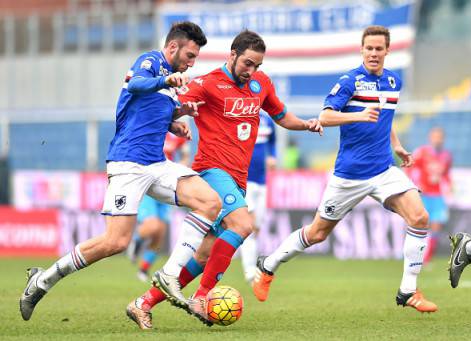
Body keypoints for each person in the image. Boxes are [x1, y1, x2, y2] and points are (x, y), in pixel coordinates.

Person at [19, 21, 222, 322]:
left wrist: (177, 118)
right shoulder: (151, 61)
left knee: (211, 202)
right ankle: (43, 279)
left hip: (156, 164)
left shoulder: (169, 80)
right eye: (190, 55)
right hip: (128, 163)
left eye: (195, 57)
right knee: (116, 242)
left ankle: (169, 274)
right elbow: (136, 85)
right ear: (172, 47)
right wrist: (167, 83)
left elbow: (145, 112)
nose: (192, 62)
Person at [127, 29, 323, 329]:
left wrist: (306, 125)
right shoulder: (206, 84)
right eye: (247, 63)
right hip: (211, 171)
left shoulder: (261, 84)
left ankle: (143, 303)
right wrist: (176, 120)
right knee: (243, 225)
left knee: (205, 254)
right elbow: (169, 107)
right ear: (231, 55)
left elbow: (282, 115)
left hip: (238, 178)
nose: (251, 70)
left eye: (257, 65)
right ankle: (203, 297)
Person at [252, 25, 438, 313]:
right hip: (349, 175)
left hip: (384, 170)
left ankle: (408, 291)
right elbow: (324, 117)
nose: (374, 53)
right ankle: (269, 264)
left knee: (420, 216)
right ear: (362, 50)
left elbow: (384, 120)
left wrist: (397, 145)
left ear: (387, 50)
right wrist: (358, 115)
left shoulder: (393, 81)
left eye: (379, 48)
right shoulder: (349, 82)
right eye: (369, 48)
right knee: (316, 234)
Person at [129, 132, 191, 282]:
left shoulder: (178, 134)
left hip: (167, 185)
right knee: (153, 226)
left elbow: (185, 155)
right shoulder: (152, 127)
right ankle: (136, 240)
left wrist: (179, 167)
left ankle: (143, 269)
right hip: (148, 184)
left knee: (160, 234)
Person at [241, 111, 277, 283]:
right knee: (249, 226)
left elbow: (273, 140)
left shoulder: (266, 120)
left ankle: (250, 266)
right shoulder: (241, 115)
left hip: (262, 180)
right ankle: (249, 271)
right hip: (245, 179)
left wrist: (272, 156)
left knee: (256, 227)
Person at [408, 127, 452, 263]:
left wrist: (449, 186)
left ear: (443, 139)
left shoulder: (446, 156)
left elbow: (446, 175)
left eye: (439, 137)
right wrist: (415, 184)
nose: (437, 139)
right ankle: (413, 255)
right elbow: (410, 167)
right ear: (430, 137)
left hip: (438, 196)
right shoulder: (421, 152)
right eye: (435, 136)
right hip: (424, 195)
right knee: (420, 226)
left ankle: (426, 259)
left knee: (436, 227)